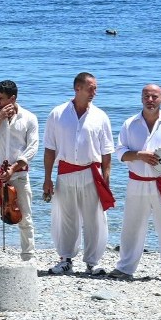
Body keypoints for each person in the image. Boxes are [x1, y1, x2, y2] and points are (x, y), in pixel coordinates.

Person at [110, 83, 161, 281]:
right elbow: (120, 152)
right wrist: (139, 155)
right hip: (137, 182)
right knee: (132, 225)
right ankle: (125, 267)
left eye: (154, 97)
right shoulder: (129, 124)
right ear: (141, 98)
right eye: (147, 96)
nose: (150, 100)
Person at [42, 71, 115, 275]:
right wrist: (47, 178)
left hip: (91, 173)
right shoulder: (57, 114)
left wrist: (106, 181)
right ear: (78, 88)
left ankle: (93, 261)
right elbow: (49, 149)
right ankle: (65, 259)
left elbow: (106, 154)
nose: (94, 92)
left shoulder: (100, 117)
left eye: (95, 88)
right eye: (91, 88)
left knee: (94, 218)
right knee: (66, 217)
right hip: (65, 172)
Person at [0, 80, 39, 268]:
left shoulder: (29, 118)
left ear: (12, 98)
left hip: (18, 174)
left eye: (1, 99)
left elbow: (33, 147)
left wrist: (14, 168)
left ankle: (28, 256)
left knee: (25, 215)